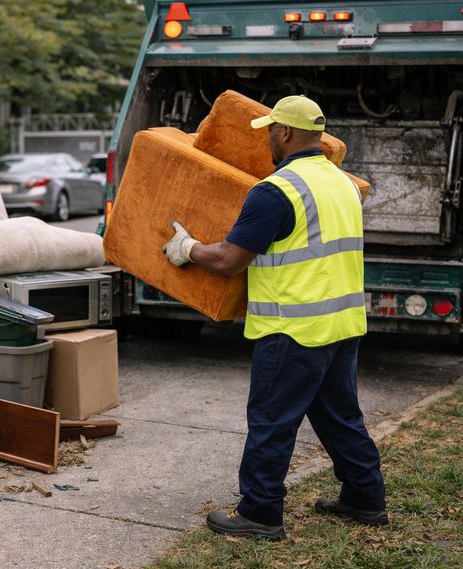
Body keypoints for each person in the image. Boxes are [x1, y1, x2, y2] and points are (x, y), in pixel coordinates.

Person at [163, 95, 387, 541]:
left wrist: (187, 250)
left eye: (269, 130)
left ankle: (261, 513)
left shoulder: (275, 191)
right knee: (340, 417)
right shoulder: (342, 183)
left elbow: (229, 259)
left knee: (272, 420)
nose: (267, 139)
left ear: (284, 133)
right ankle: (365, 498)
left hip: (294, 328)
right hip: (341, 325)